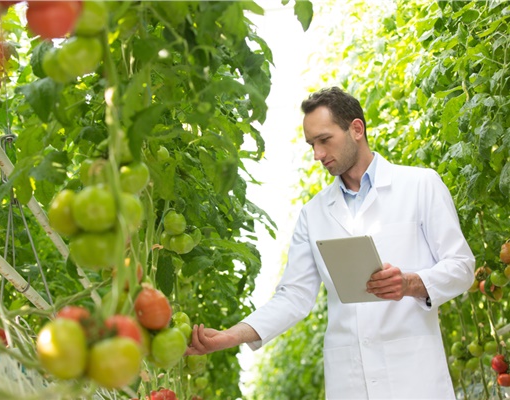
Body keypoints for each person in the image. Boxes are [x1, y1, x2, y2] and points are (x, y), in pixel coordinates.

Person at [186, 87, 475, 399]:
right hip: (349, 380)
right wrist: (229, 336)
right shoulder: (313, 214)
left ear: (356, 129)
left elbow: (461, 267)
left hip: (414, 377)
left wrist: (410, 283)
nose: (318, 154)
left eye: (325, 140)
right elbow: (293, 297)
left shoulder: (420, 185)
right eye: (312, 144)